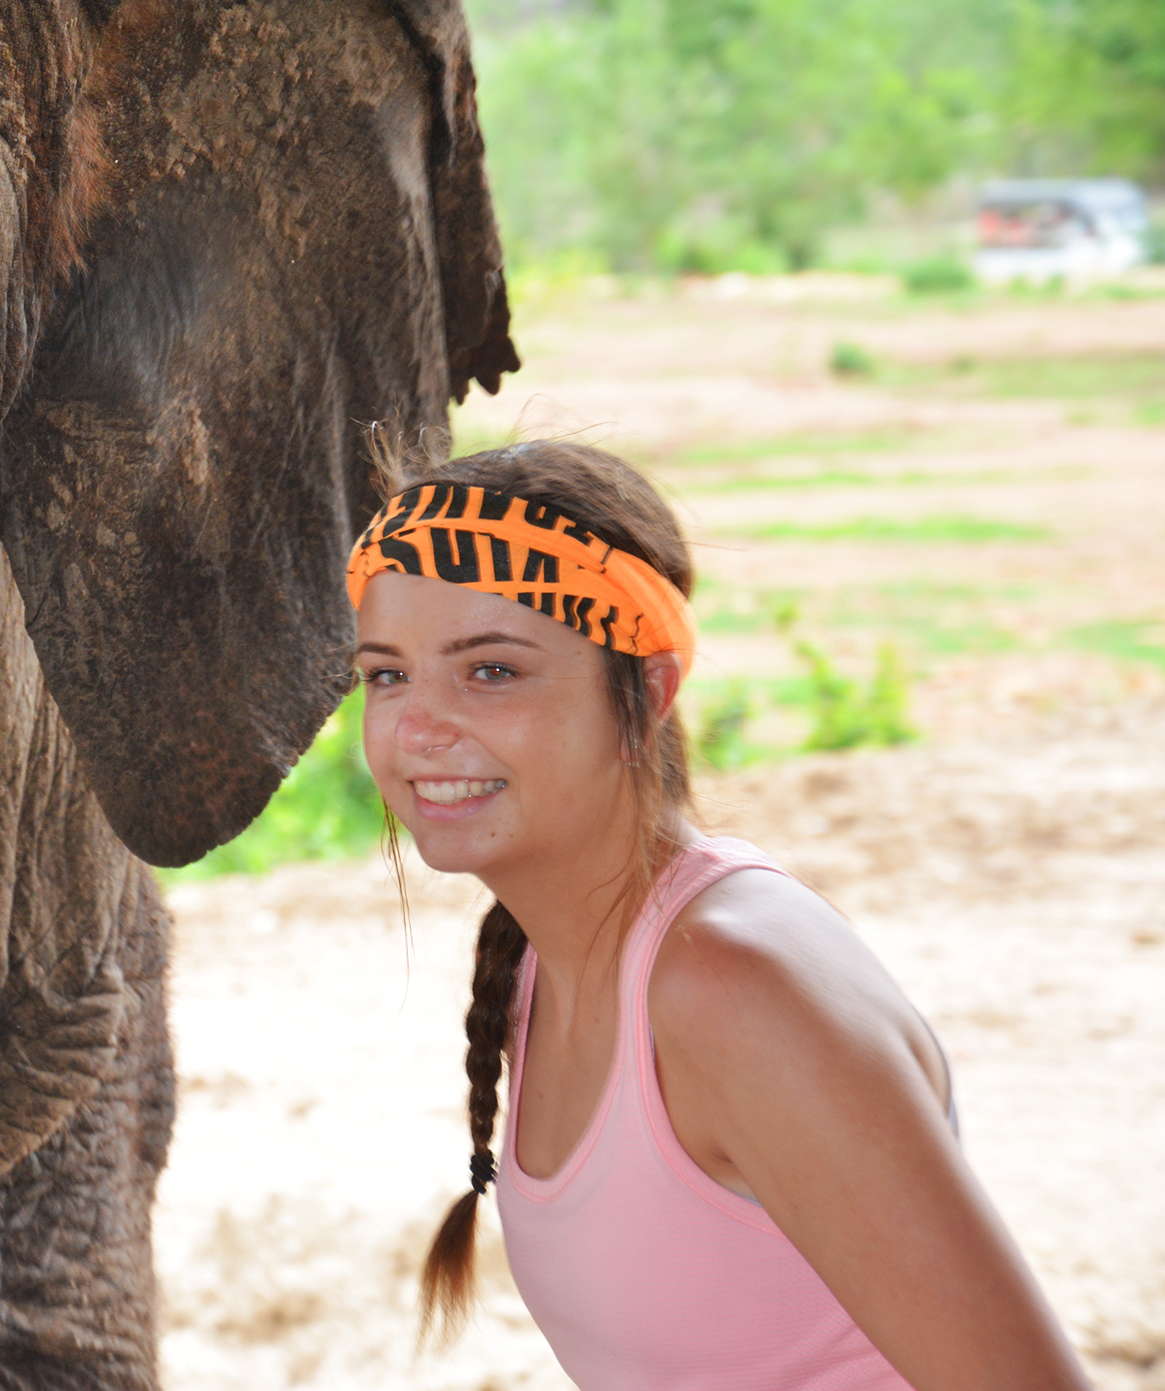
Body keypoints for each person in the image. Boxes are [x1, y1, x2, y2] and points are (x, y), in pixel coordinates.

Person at [347, 439, 1090, 1390]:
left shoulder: (729, 985)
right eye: (387, 674)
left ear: (647, 690)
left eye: (490, 670)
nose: (417, 725)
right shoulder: (540, 958)